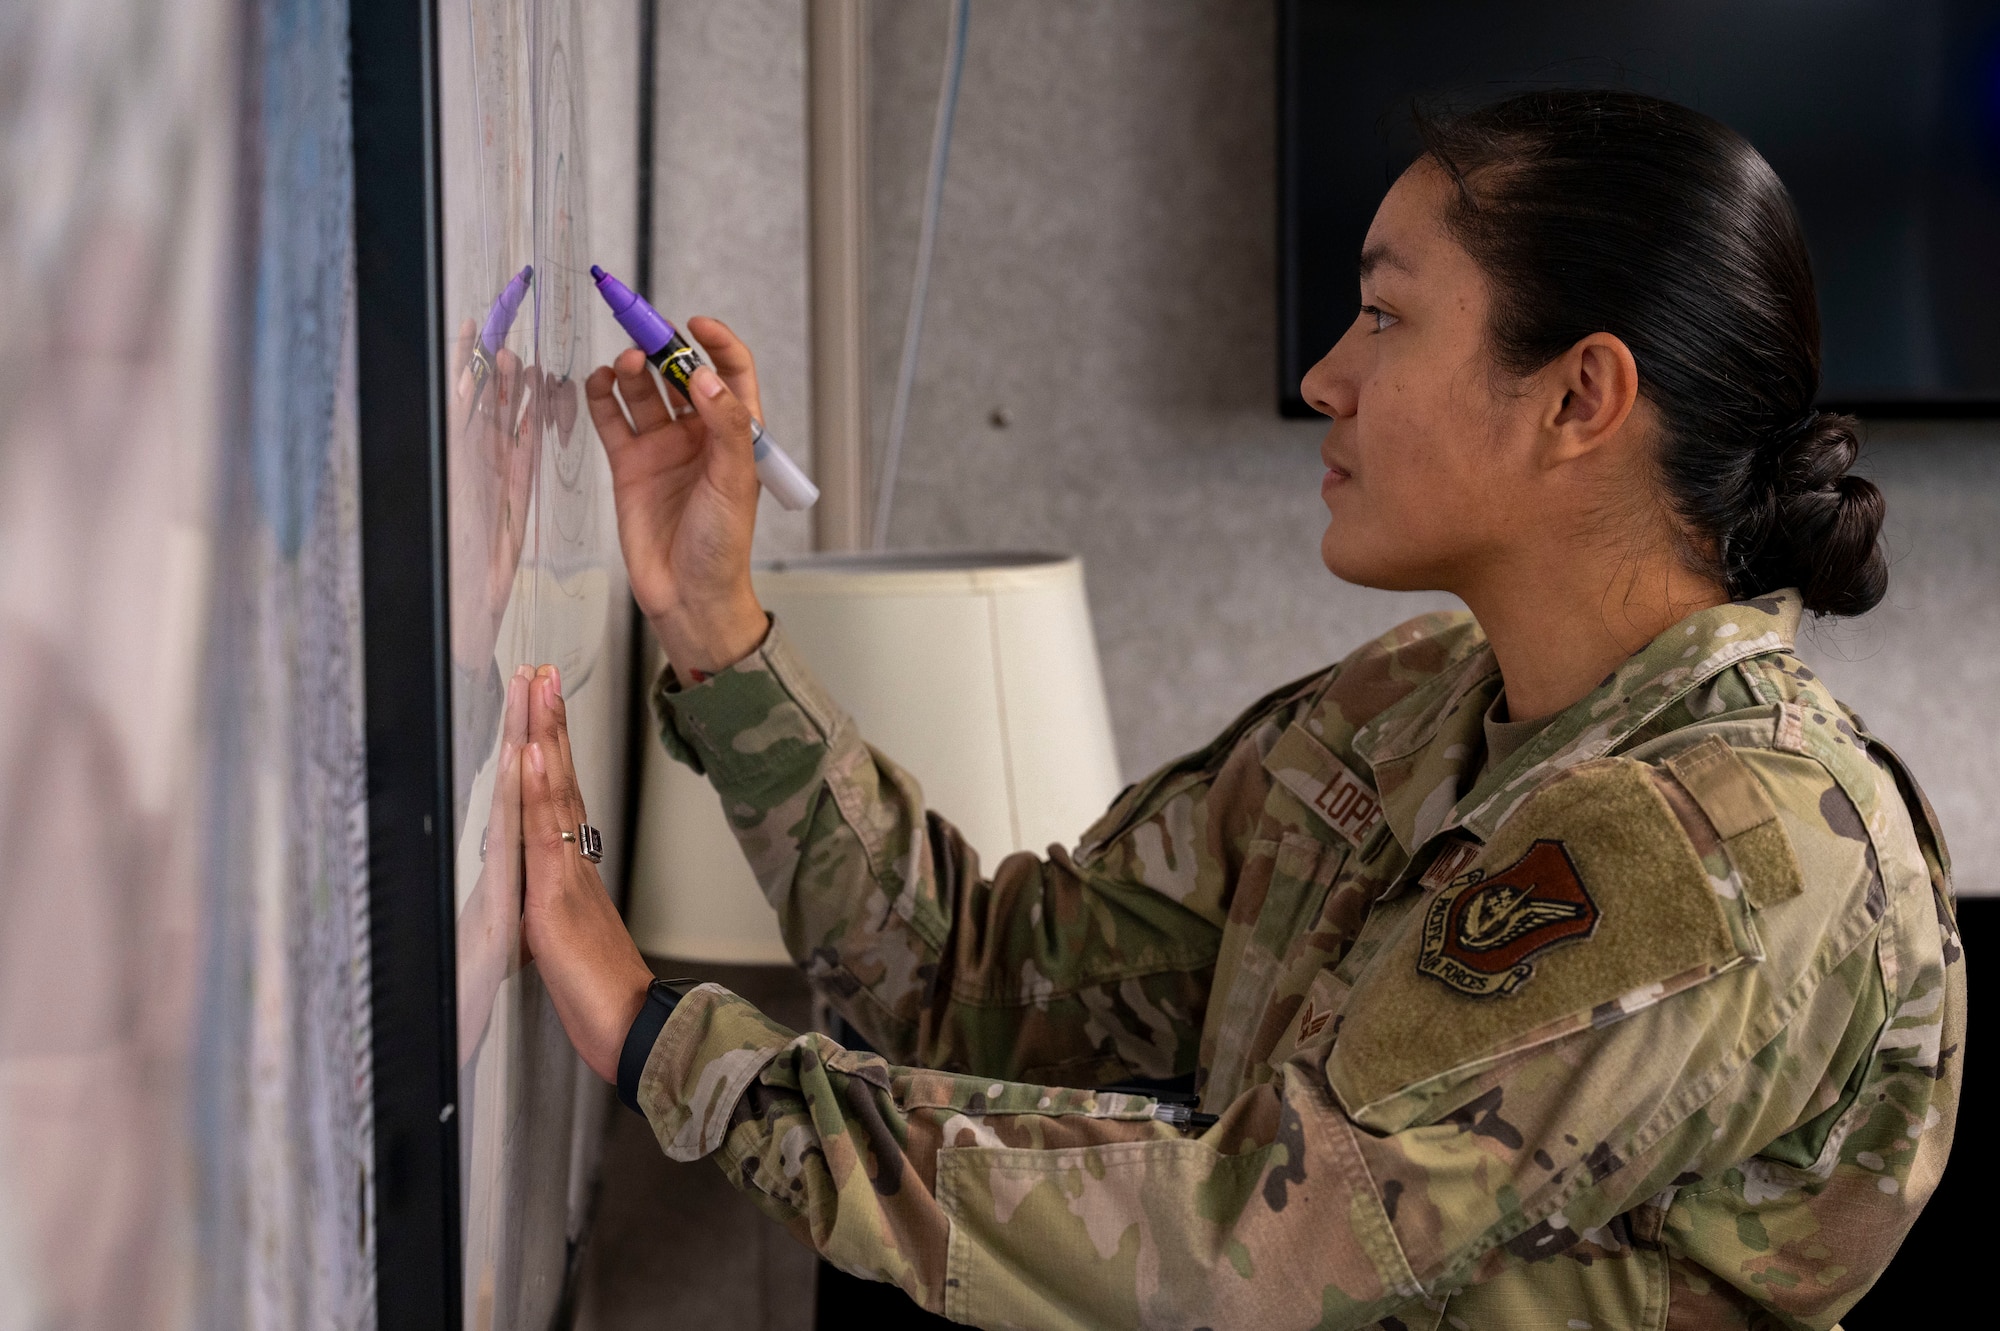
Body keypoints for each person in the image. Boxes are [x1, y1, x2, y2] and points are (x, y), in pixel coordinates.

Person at [510, 90, 1963, 1329]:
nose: (1327, 375)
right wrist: (717, 623)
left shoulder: (1726, 846)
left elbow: (1258, 1243)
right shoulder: (1408, 708)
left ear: (1580, 396)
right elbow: (980, 991)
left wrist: (662, 1042)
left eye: (1387, 315)